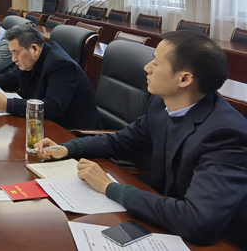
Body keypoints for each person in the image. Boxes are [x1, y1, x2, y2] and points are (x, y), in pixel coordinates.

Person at [36, 31, 247, 248]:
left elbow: (197, 221)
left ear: (184, 79)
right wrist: (68, 148)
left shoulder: (226, 135)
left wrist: (110, 187)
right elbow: (124, 141)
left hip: (215, 242)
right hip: (163, 218)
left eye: (156, 63)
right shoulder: (161, 103)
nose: (147, 68)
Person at [0, 22, 100, 130]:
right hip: (42, 125)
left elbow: (53, 107)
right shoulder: (32, 59)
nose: (13, 59)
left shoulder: (62, 65)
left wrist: (9, 104)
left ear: (34, 49)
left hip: (71, 134)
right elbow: (12, 77)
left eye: (16, 53)